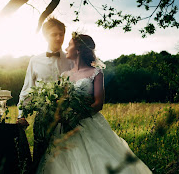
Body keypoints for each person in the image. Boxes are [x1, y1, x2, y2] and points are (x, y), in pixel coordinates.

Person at [36, 32, 152, 174]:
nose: (66, 48)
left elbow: (98, 104)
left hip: (88, 123)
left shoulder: (96, 73)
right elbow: (62, 101)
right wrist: (60, 113)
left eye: (69, 45)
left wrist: (77, 117)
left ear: (78, 50)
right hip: (65, 126)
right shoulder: (64, 76)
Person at [17, 17, 73, 173]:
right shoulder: (35, 61)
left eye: (61, 34)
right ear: (45, 36)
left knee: (66, 159)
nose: (59, 38)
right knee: (41, 158)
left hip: (67, 120)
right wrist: (21, 114)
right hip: (43, 118)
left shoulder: (71, 61)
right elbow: (27, 89)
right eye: (54, 34)